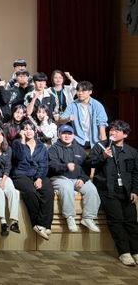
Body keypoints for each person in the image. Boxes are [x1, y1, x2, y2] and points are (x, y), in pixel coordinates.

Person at [89, 120, 138, 266]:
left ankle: (136, 251)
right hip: (107, 190)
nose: (112, 132)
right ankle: (124, 253)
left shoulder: (132, 152)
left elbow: (136, 173)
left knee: (131, 222)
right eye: (111, 130)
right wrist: (103, 157)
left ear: (125, 135)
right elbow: (89, 163)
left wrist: (135, 191)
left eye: (117, 130)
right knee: (116, 221)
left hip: (126, 191)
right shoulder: (100, 146)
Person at [48, 124, 101, 233]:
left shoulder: (80, 149)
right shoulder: (53, 149)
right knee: (67, 186)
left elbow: (86, 167)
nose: (67, 136)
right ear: (59, 135)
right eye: (64, 133)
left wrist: (82, 179)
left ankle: (88, 218)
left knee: (91, 189)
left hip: (77, 178)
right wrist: (65, 166)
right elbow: (51, 165)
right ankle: (70, 217)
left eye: (69, 134)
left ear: (73, 135)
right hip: (59, 178)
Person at [11, 120, 54, 240]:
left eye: (30, 129)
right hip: (20, 174)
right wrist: (22, 140)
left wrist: (39, 178)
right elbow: (18, 158)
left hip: (36, 174)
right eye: (25, 129)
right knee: (31, 192)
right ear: (22, 131)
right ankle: (37, 223)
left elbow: (44, 165)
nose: (28, 131)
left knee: (48, 190)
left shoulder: (41, 146)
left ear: (35, 131)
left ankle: (45, 224)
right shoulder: (17, 143)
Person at [59, 81, 108, 149]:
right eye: (78, 91)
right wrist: (67, 119)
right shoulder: (72, 105)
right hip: (78, 139)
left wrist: (103, 143)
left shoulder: (97, 105)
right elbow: (60, 120)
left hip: (95, 140)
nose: (80, 93)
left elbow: (101, 124)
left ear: (90, 92)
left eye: (83, 91)